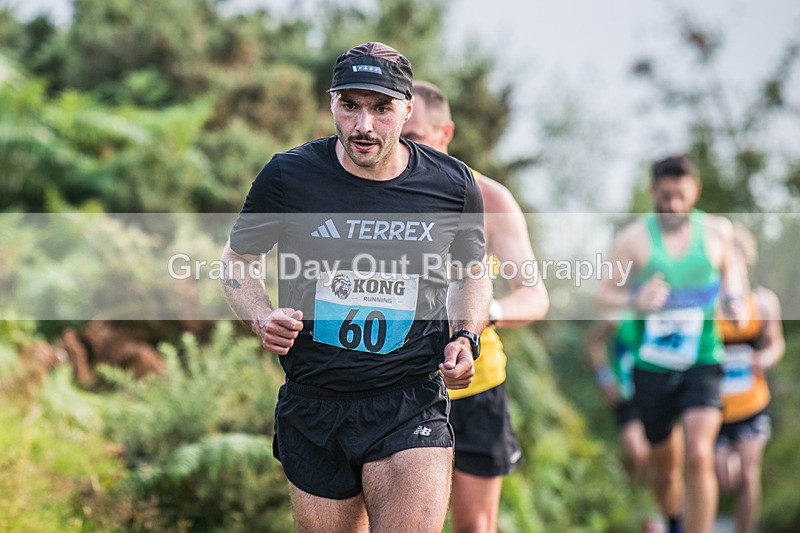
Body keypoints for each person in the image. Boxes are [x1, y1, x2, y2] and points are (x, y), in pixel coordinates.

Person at [220, 42, 493, 533]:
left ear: (407, 109)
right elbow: (237, 260)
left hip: (409, 397)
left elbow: (471, 271)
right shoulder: (289, 176)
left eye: (381, 108)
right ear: (332, 104)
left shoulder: (452, 185)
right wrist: (260, 315)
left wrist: (464, 336)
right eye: (350, 106)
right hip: (315, 402)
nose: (363, 125)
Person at [402, 80, 549, 533]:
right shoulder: (378, 194)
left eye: (417, 139)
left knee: (474, 526)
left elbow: (535, 295)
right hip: (399, 385)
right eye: (399, 138)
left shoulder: (489, 198)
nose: (404, 150)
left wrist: (490, 314)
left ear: (446, 133)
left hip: (476, 386)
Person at [597, 154, 747, 533]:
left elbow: (735, 279)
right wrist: (635, 299)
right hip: (653, 366)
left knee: (699, 453)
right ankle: (676, 521)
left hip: (703, 358)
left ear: (694, 190)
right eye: (665, 197)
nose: (674, 205)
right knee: (666, 471)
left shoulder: (718, 232)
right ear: (652, 192)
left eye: (681, 196)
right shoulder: (632, 239)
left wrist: (735, 301)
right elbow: (603, 295)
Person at [714, 224, 785, 533]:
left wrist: (765, 358)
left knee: (747, 474)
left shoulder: (764, 302)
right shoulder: (707, 306)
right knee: (723, 476)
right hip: (713, 405)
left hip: (752, 401)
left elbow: (776, 342)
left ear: (746, 261)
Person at [585, 317, 650, 483]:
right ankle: (632, 495)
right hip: (626, 395)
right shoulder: (619, 318)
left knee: (661, 456)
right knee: (637, 451)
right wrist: (605, 379)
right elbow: (592, 343)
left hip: (658, 392)